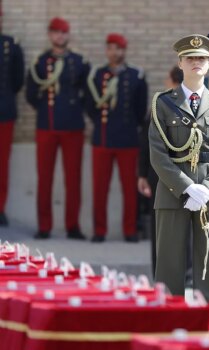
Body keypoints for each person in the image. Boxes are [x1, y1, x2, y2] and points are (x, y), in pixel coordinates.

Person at [149, 34, 209, 331]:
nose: (197, 63)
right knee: (169, 267)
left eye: (202, 58)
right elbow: (158, 154)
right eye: (191, 58)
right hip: (174, 192)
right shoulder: (163, 103)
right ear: (180, 63)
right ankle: (166, 329)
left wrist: (208, 189)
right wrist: (187, 186)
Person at [26, 17, 90, 239]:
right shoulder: (40, 62)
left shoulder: (79, 62)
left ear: (67, 35)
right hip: (47, 125)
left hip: (73, 127)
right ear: (50, 35)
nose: (59, 36)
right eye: (55, 32)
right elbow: (31, 94)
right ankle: (44, 226)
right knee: (45, 178)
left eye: (63, 32)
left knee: (73, 179)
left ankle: (72, 226)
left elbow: (86, 94)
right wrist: (44, 109)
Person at [86, 33, 148, 243]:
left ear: (124, 51)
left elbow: (140, 111)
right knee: (100, 188)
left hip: (128, 140)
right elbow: (90, 106)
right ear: (107, 50)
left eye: (119, 48)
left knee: (130, 189)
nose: (115, 52)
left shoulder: (136, 76)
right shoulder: (96, 74)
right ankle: (99, 230)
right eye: (111, 48)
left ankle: (130, 230)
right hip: (102, 139)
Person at [138, 65, 183, 274]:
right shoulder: (162, 104)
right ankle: (176, 269)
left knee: (164, 225)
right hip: (175, 175)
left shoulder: (161, 104)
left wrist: (142, 175)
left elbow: (145, 144)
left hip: (161, 174)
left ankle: (163, 269)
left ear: (172, 80)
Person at [0, 28, 25, 226]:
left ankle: (0, 208)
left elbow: (17, 80)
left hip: (4, 113)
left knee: (2, 163)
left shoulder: (11, 45)